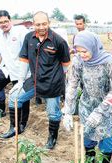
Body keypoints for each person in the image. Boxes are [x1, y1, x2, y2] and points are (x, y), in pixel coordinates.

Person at [62, 31, 112, 163]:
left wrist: (100, 111)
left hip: (107, 107)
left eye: (85, 51)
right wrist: (68, 111)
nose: (82, 55)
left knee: (107, 138)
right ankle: (90, 160)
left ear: (93, 47)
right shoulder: (77, 61)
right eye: (78, 51)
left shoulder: (108, 62)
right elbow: (72, 85)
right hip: (87, 106)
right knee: (87, 136)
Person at [19, 11, 70, 149]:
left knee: (53, 112)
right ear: (33, 24)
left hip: (52, 83)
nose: (41, 27)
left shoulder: (58, 41)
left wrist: (57, 77)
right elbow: (24, 59)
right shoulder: (29, 38)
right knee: (17, 98)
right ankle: (17, 126)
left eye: (44, 24)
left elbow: (65, 64)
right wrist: (20, 80)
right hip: (34, 80)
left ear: (49, 23)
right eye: (38, 24)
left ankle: (52, 138)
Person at [0, 10, 32, 138]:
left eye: (6, 21)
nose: (4, 24)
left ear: (10, 21)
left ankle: (20, 125)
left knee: (21, 98)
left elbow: (29, 52)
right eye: (1, 22)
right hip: (8, 69)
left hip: (23, 71)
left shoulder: (20, 32)